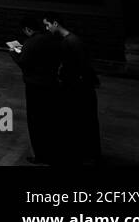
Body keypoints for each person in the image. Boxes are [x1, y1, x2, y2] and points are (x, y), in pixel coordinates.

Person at [43, 13, 101, 163]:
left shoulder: (70, 42)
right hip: (80, 86)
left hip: (77, 88)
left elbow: (80, 66)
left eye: (48, 25)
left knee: (80, 120)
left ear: (55, 23)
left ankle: (84, 154)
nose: (47, 28)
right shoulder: (73, 40)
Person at [10, 16, 63, 165]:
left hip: (35, 86)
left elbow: (23, 62)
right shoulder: (52, 39)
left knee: (36, 120)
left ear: (28, 29)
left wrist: (13, 52)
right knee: (50, 118)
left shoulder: (30, 42)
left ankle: (41, 155)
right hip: (51, 82)